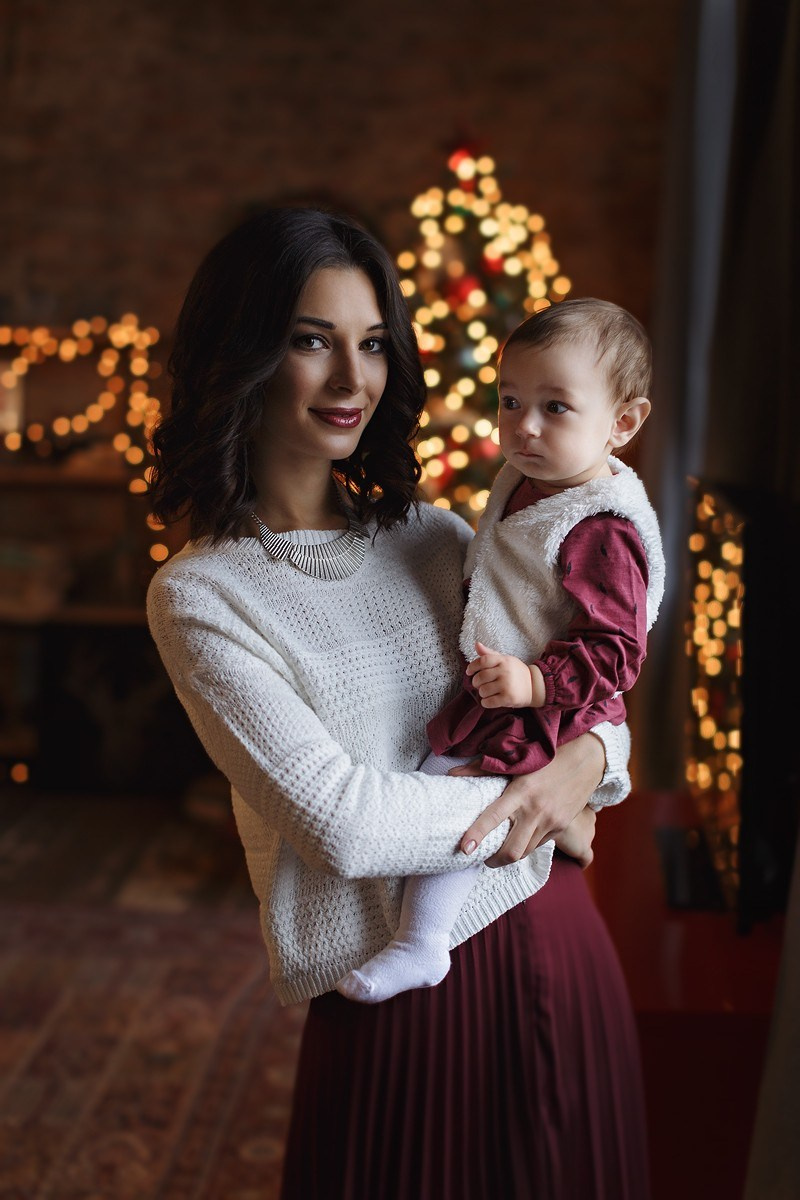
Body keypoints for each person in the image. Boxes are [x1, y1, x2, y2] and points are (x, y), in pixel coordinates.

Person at [146, 206, 651, 1199]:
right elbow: (344, 823)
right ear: (238, 354)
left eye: (372, 344)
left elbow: (593, 694)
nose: (351, 381)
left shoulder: (437, 537)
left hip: (551, 934)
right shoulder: (203, 595)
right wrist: (549, 797)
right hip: (396, 983)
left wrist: (588, 765)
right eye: (309, 341)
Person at [337, 298, 665, 1005]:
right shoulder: (534, 481)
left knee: (457, 788)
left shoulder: (602, 528)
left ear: (624, 423)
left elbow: (617, 652)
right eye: (510, 400)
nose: (524, 426)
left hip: (554, 701)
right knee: (442, 771)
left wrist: (536, 683)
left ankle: (422, 943)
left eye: (556, 407)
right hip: (514, 681)